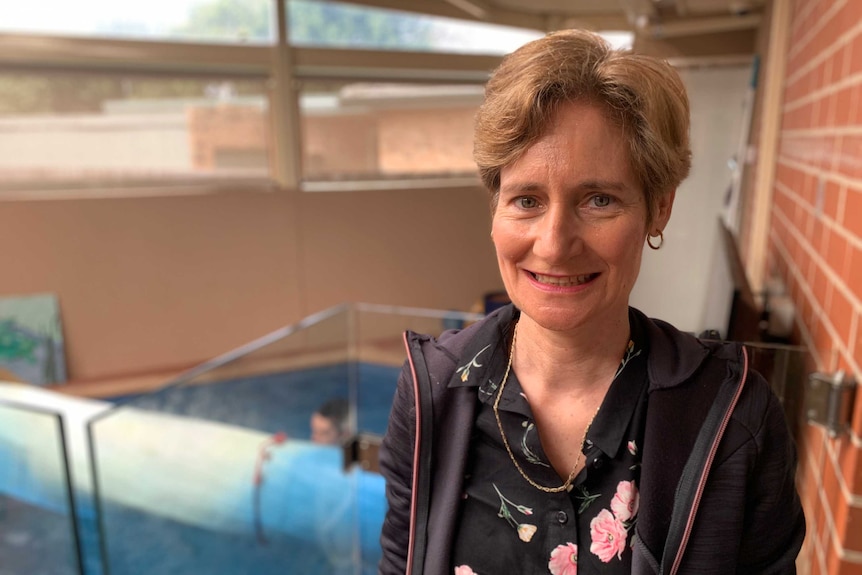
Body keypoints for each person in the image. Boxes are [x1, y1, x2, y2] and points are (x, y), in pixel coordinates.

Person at [378, 29, 804, 575]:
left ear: (658, 210)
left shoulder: (735, 416)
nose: (554, 244)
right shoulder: (432, 395)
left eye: (598, 199)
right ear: (495, 209)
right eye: (526, 200)